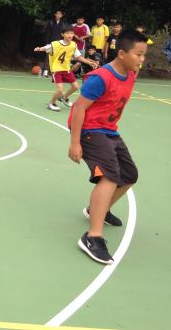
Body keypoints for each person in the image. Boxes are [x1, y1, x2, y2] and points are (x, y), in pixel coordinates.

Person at [68, 29, 148, 264]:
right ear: (121, 53)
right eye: (138, 54)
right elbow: (79, 108)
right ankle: (92, 237)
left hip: (109, 130)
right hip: (89, 130)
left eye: (144, 54)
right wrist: (74, 143)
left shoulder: (131, 73)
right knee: (110, 177)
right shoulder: (100, 78)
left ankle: (97, 210)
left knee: (129, 175)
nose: (142, 59)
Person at [34, 25, 99, 111]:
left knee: (75, 87)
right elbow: (46, 47)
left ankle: (64, 97)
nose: (70, 35)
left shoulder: (73, 45)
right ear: (62, 34)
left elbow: (79, 57)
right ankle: (51, 103)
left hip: (66, 69)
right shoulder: (56, 44)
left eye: (72, 33)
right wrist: (39, 49)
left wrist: (89, 62)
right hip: (56, 69)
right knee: (60, 89)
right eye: (67, 33)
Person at [42, 10, 67, 77]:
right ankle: (45, 71)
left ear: (61, 16)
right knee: (48, 56)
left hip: (59, 43)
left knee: (57, 57)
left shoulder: (63, 24)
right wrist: (47, 42)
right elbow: (47, 33)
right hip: (50, 42)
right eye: (57, 14)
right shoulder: (50, 22)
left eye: (60, 14)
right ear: (55, 14)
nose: (58, 15)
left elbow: (64, 34)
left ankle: (54, 72)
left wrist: (63, 43)